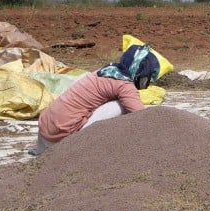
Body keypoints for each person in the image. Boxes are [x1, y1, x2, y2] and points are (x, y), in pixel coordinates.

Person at [32, 44, 160, 155]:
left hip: (45, 131)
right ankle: (89, 148)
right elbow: (142, 116)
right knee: (119, 106)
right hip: (60, 138)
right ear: (140, 71)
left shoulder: (107, 70)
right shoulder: (124, 85)